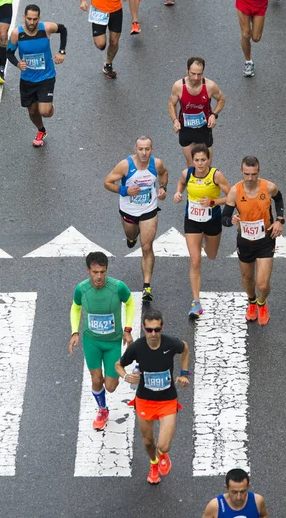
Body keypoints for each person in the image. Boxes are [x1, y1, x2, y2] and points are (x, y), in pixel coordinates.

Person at [115, 308, 190, 484]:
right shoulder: (137, 347)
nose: (153, 334)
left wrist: (184, 373)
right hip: (144, 401)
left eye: (157, 329)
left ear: (162, 327)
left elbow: (185, 348)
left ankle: (163, 455)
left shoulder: (170, 344)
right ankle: (154, 463)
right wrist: (126, 376)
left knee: (164, 445)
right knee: (149, 442)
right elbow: (118, 365)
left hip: (167, 400)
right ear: (144, 328)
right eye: (149, 330)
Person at [69, 251, 135, 430]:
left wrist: (127, 329)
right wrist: (74, 332)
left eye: (102, 272)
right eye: (95, 272)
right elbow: (75, 308)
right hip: (92, 341)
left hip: (113, 342)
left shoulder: (118, 287)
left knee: (111, 386)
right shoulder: (81, 289)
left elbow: (130, 303)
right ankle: (102, 409)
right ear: (88, 271)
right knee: (96, 378)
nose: (99, 277)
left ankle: (115, 382)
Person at [104, 136, 168, 301]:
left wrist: (162, 188)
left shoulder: (156, 164)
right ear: (135, 149)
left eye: (147, 149)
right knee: (131, 236)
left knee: (146, 247)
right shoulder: (125, 165)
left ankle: (147, 286)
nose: (144, 153)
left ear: (151, 150)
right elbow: (107, 182)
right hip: (129, 210)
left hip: (149, 210)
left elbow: (164, 173)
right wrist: (125, 190)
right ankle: (131, 238)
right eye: (141, 149)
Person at [222, 156, 285, 326]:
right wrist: (231, 220)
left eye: (254, 174)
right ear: (241, 172)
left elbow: (279, 200)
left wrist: (279, 220)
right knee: (247, 278)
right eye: (247, 174)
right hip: (245, 241)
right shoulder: (235, 191)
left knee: (262, 284)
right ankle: (251, 302)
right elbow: (224, 217)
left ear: (259, 172)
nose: (250, 178)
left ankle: (262, 303)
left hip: (265, 240)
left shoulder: (269, 187)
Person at [174, 144, 231, 318]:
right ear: (193, 160)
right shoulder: (187, 173)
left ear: (208, 160)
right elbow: (181, 183)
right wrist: (178, 193)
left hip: (212, 220)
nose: (200, 164)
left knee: (212, 255)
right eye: (196, 160)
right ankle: (196, 302)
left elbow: (232, 195)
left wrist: (214, 202)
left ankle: (205, 245)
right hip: (192, 220)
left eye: (203, 160)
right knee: (195, 261)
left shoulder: (216, 175)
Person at [6, 4, 67, 147]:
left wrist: (61, 52)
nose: (32, 22)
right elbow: (9, 52)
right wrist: (17, 64)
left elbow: (63, 29)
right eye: (29, 19)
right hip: (27, 80)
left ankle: (48, 105)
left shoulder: (46, 28)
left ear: (39, 18)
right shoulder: (17, 34)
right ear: (24, 18)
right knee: (33, 111)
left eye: (35, 19)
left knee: (44, 111)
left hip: (46, 77)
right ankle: (41, 130)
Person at [168, 57, 225, 166]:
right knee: (191, 165)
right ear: (187, 70)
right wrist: (175, 120)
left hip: (203, 128)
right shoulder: (178, 86)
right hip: (186, 128)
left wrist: (214, 115)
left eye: (199, 74)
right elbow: (171, 103)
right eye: (193, 73)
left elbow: (221, 99)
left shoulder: (210, 86)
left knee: (206, 165)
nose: (196, 77)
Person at [202, 468, 269, 518]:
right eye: (234, 492)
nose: (238, 497)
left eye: (243, 491)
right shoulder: (215, 506)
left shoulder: (258, 501)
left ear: (248, 487)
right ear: (227, 488)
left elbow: (264, 516)